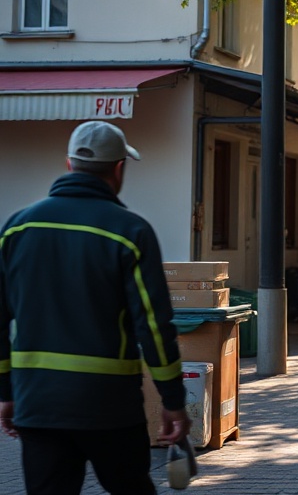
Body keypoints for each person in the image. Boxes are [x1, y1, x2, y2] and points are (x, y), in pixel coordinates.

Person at [0, 121, 190, 495]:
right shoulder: (130, 232)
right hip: (110, 407)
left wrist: (5, 393)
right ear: (119, 168)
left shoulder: (16, 230)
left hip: (37, 403)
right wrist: (173, 402)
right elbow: (153, 327)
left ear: (68, 165)